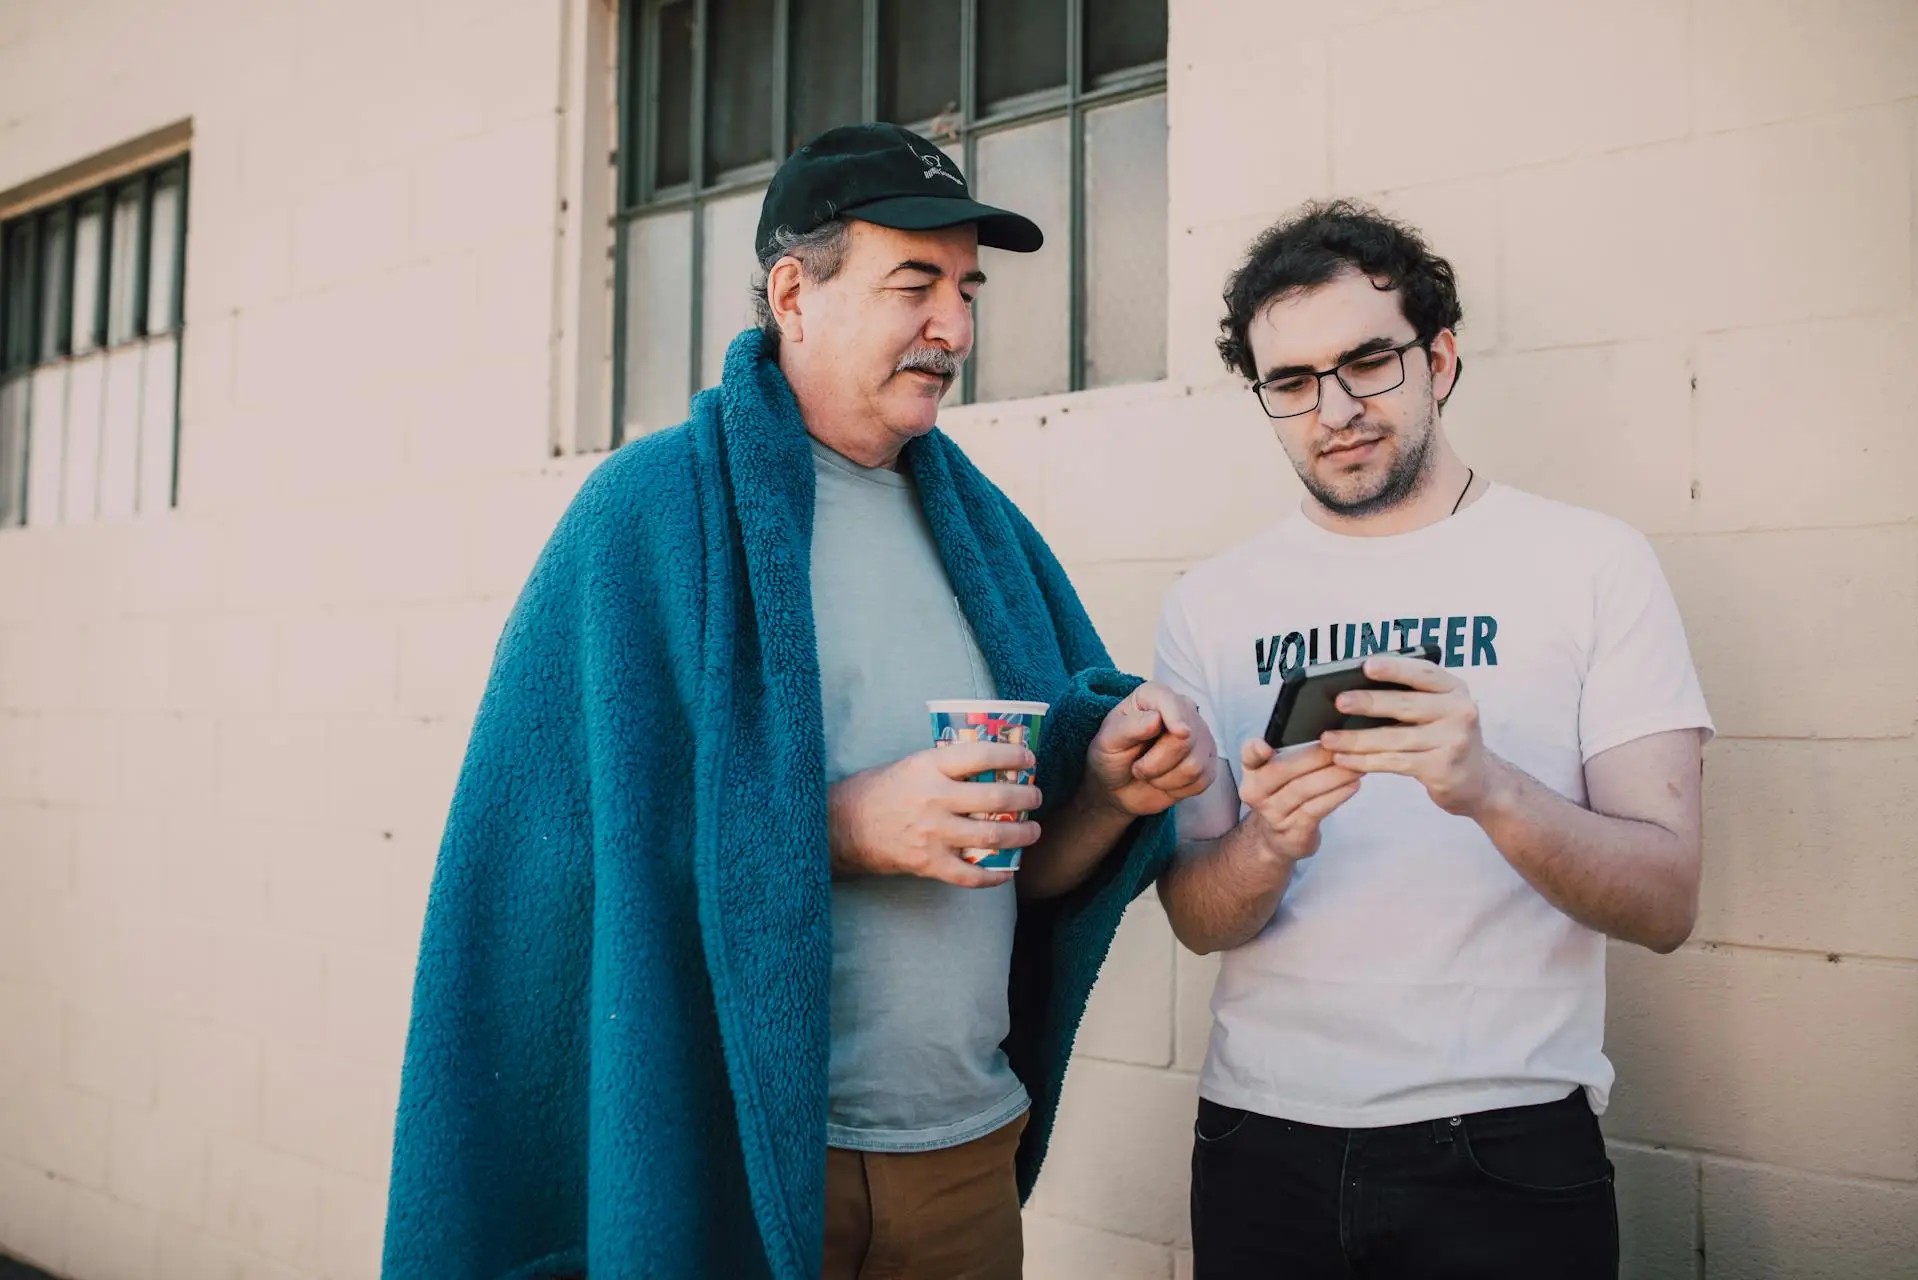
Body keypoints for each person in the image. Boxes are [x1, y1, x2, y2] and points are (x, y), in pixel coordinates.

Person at [382, 122, 1216, 1280]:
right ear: (793, 295)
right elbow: (560, 862)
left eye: (967, 290)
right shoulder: (645, 519)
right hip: (737, 1161)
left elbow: (1029, 872)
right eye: (915, 284)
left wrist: (1110, 792)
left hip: (965, 1158)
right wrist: (844, 825)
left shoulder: (991, 539)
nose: (955, 327)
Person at [1154, 200, 1713, 1279]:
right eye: (1292, 381)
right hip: (1258, 1139)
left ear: (1440, 358)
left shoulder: (1592, 564)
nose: (1336, 409)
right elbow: (1195, 917)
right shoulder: (1210, 603)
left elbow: (1666, 902)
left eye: (1369, 362)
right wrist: (1269, 843)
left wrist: (1488, 787)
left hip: (1504, 1140)